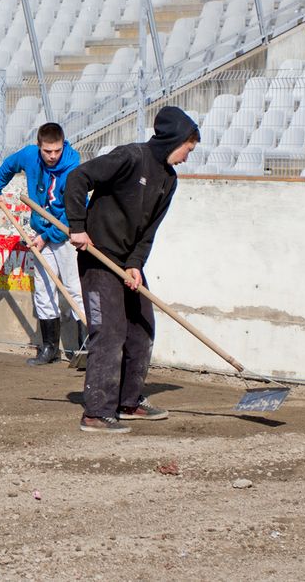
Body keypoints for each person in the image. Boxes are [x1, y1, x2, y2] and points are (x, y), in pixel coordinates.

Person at [64, 106, 200, 433]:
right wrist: (78, 226)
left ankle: (128, 401)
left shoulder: (169, 179)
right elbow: (78, 178)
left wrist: (136, 264)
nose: (187, 156)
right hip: (98, 256)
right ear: (174, 140)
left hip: (126, 263)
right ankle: (97, 412)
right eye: (187, 149)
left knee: (141, 327)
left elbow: (149, 230)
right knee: (109, 332)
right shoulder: (130, 157)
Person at [0, 122, 86, 366]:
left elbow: (74, 210)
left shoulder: (73, 167)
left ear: (63, 145)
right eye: (47, 151)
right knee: (43, 290)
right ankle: (50, 348)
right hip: (42, 233)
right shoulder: (30, 156)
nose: (53, 156)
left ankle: (88, 349)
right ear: (39, 147)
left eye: (57, 151)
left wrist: (47, 237)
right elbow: (10, 165)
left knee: (75, 288)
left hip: (66, 235)